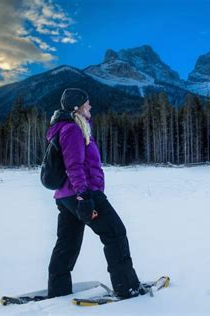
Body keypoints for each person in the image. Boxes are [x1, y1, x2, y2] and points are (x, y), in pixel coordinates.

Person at [46, 88, 143, 299]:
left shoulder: (65, 127)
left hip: (65, 197)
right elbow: (74, 165)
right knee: (115, 233)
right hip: (83, 193)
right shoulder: (72, 129)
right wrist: (84, 196)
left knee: (67, 243)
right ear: (77, 107)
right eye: (86, 104)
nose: (90, 106)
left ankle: (58, 289)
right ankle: (127, 287)